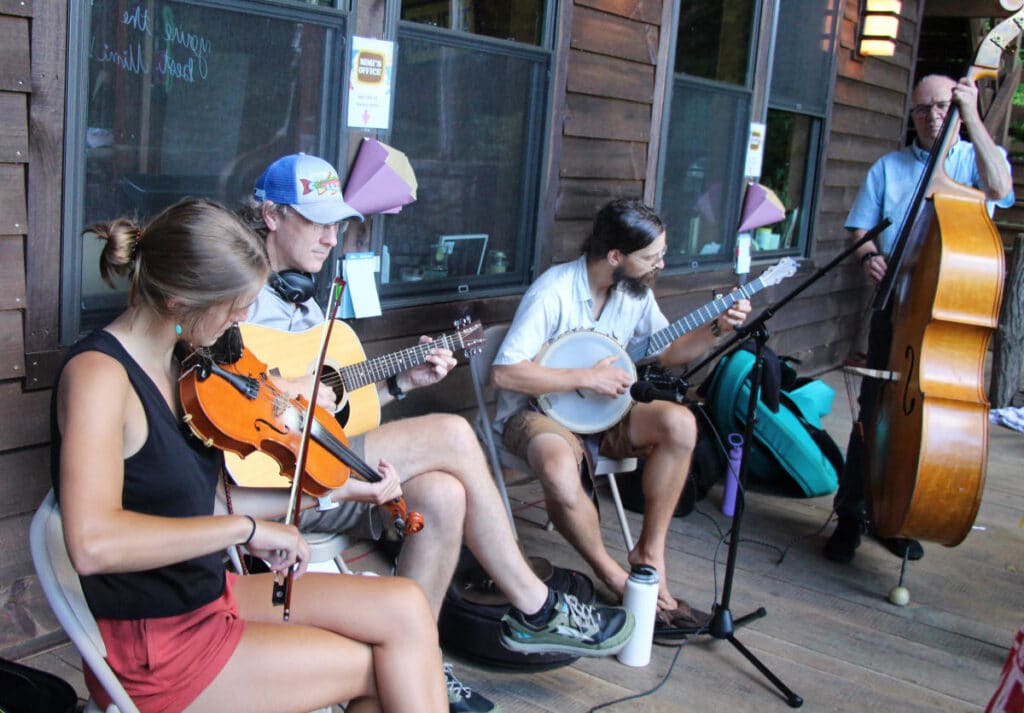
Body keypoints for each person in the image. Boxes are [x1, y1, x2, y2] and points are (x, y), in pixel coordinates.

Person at [231, 154, 635, 713]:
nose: (331, 237)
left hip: (325, 470)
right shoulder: (238, 294)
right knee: (451, 431)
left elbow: (334, 409)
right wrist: (291, 394)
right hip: (266, 483)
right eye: (316, 221)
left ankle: (418, 659)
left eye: (337, 222)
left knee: (444, 495)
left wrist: (399, 381)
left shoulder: (309, 298)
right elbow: (232, 399)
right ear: (272, 217)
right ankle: (536, 605)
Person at [52, 197, 447, 713]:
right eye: (236, 307)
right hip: (157, 644)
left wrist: (329, 490)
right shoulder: (99, 378)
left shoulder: (185, 364)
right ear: (178, 301)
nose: (242, 320)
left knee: (406, 608)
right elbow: (92, 543)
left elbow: (210, 501)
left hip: (211, 595)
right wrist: (248, 533)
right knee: (379, 669)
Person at [489, 198, 752, 628]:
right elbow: (505, 373)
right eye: (651, 257)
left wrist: (719, 327)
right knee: (558, 469)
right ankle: (612, 574)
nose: (659, 265)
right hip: (537, 413)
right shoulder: (552, 292)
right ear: (615, 257)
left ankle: (649, 554)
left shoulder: (634, 293)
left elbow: (667, 352)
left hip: (607, 409)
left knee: (679, 423)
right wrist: (583, 378)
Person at [824, 74, 1015, 564]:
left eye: (942, 106)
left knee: (922, 424)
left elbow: (1001, 187)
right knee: (873, 413)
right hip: (897, 306)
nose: (933, 117)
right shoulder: (888, 169)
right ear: (911, 117)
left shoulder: (973, 163)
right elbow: (860, 231)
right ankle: (852, 513)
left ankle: (897, 515)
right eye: (922, 110)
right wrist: (869, 258)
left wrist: (969, 115)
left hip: (946, 313)